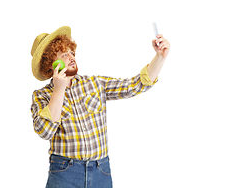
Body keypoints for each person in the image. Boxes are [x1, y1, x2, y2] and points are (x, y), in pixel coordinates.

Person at [30, 26, 170, 188]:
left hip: (100, 171)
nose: (72, 57)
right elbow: (45, 132)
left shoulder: (95, 83)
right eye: (64, 55)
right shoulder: (41, 96)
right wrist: (59, 89)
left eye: (71, 52)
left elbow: (135, 85)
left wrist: (160, 57)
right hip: (64, 173)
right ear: (50, 65)